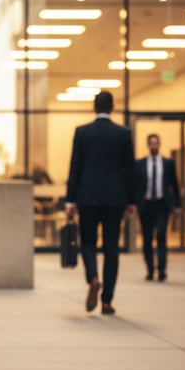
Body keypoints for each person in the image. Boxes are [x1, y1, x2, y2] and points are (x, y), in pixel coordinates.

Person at [65, 91, 136, 315]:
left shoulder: (83, 132)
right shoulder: (124, 134)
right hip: (115, 198)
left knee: (88, 242)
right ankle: (106, 301)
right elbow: (130, 170)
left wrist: (70, 199)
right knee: (111, 247)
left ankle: (93, 278)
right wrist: (131, 201)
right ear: (112, 108)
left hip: (87, 196)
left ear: (94, 108)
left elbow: (75, 168)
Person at [135, 133, 181, 281]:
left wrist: (177, 206)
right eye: (151, 143)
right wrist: (134, 203)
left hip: (162, 205)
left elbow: (174, 185)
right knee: (147, 239)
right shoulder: (140, 164)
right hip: (146, 205)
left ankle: (161, 270)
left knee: (161, 236)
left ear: (159, 145)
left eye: (156, 143)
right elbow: (135, 186)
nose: (154, 146)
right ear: (148, 145)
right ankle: (149, 270)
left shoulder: (168, 163)